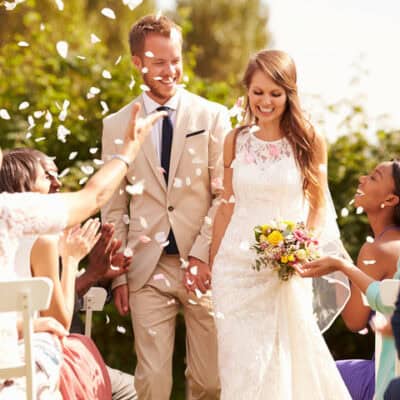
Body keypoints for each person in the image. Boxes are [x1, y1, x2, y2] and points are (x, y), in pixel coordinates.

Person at [101, 14, 231, 400]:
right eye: (159, 62)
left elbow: (223, 194)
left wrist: (203, 255)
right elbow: (113, 205)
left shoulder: (212, 116)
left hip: (203, 264)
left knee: (210, 382)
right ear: (138, 62)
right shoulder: (116, 124)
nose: (170, 70)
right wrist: (119, 276)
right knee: (153, 382)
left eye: (175, 60)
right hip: (145, 267)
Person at [210, 49, 351, 399]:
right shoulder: (235, 141)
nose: (265, 101)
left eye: (275, 93)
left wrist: (299, 249)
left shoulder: (309, 140)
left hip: (286, 270)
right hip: (235, 271)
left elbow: (318, 207)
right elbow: (226, 205)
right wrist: (214, 263)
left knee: (287, 362)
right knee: (240, 365)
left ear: (290, 93)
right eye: (258, 92)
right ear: (247, 92)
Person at [0, 104, 166, 398]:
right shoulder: (20, 218)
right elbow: (94, 196)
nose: (57, 183)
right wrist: (128, 150)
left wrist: (91, 273)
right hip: (22, 369)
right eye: (46, 176)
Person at [298, 161, 400, 400]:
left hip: (386, 376)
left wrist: (340, 268)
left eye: (374, 177)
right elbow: (390, 299)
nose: (362, 179)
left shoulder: (378, 250)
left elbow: (355, 321)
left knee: (308, 380)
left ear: (391, 200)